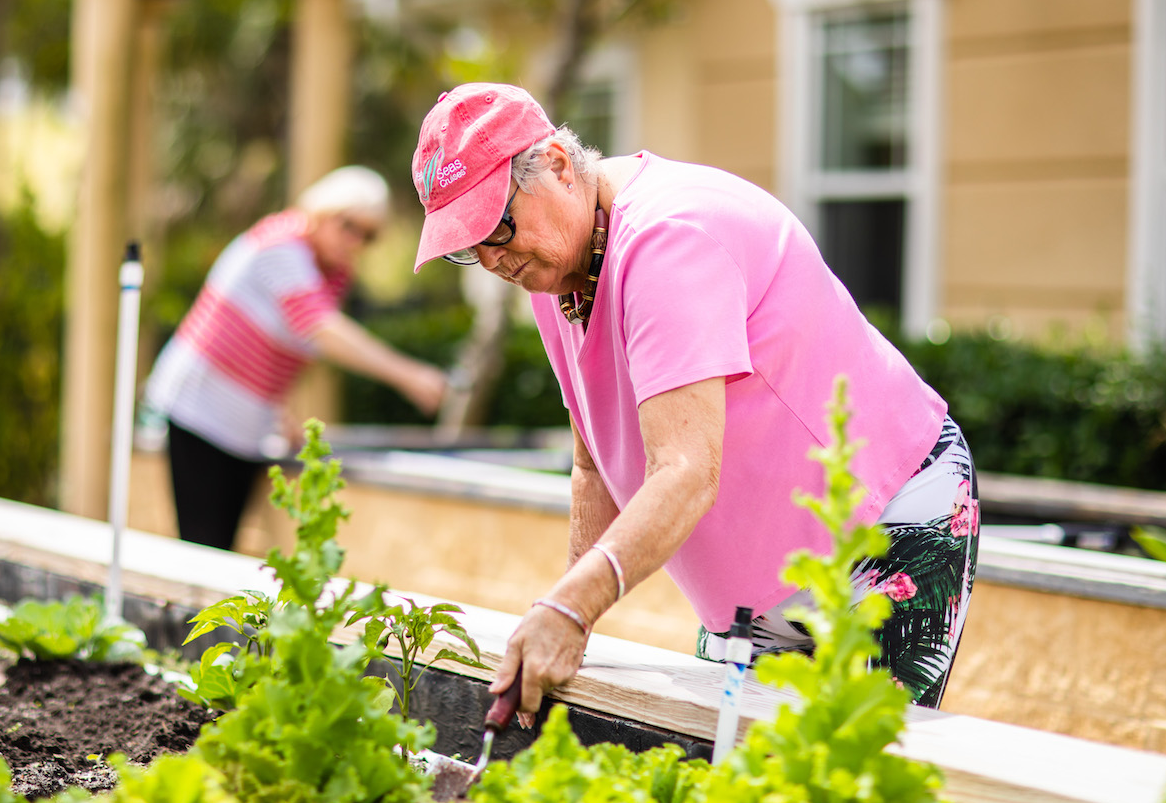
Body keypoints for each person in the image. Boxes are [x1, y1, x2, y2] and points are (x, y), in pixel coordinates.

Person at [410, 84, 979, 721]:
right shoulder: (554, 271)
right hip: (757, 586)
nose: (492, 258)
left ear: (559, 166)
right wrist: (567, 612)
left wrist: (573, 608)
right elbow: (593, 465)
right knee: (745, 788)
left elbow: (685, 472)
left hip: (880, 526)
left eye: (498, 226)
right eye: (469, 246)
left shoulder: (669, 238)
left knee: (849, 787)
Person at [147, 164, 448, 550]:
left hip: (245, 429)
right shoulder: (282, 245)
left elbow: (285, 350)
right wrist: (410, 376)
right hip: (201, 412)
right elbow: (320, 330)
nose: (356, 241)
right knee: (204, 546)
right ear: (323, 210)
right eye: (349, 225)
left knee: (222, 548)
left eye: (369, 236)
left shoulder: (331, 275)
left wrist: (279, 412)